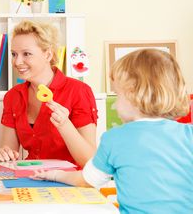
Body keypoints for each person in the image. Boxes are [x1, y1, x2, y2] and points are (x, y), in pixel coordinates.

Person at [33, 49, 193, 213]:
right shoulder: (189, 134)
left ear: (132, 95)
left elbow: (86, 180)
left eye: (117, 95)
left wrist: (54, 175)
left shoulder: (114, 139)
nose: (115, 104)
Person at [0, 20, 98, 167]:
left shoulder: (78, 91)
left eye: (27, 54)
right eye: (14, 54)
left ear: (48, 55)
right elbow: (10, 152)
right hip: (31, 177)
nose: (17, 62)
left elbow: (90, 161)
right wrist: (5, 154)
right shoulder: (13, 96)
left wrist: (65, 124)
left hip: (70, 180)